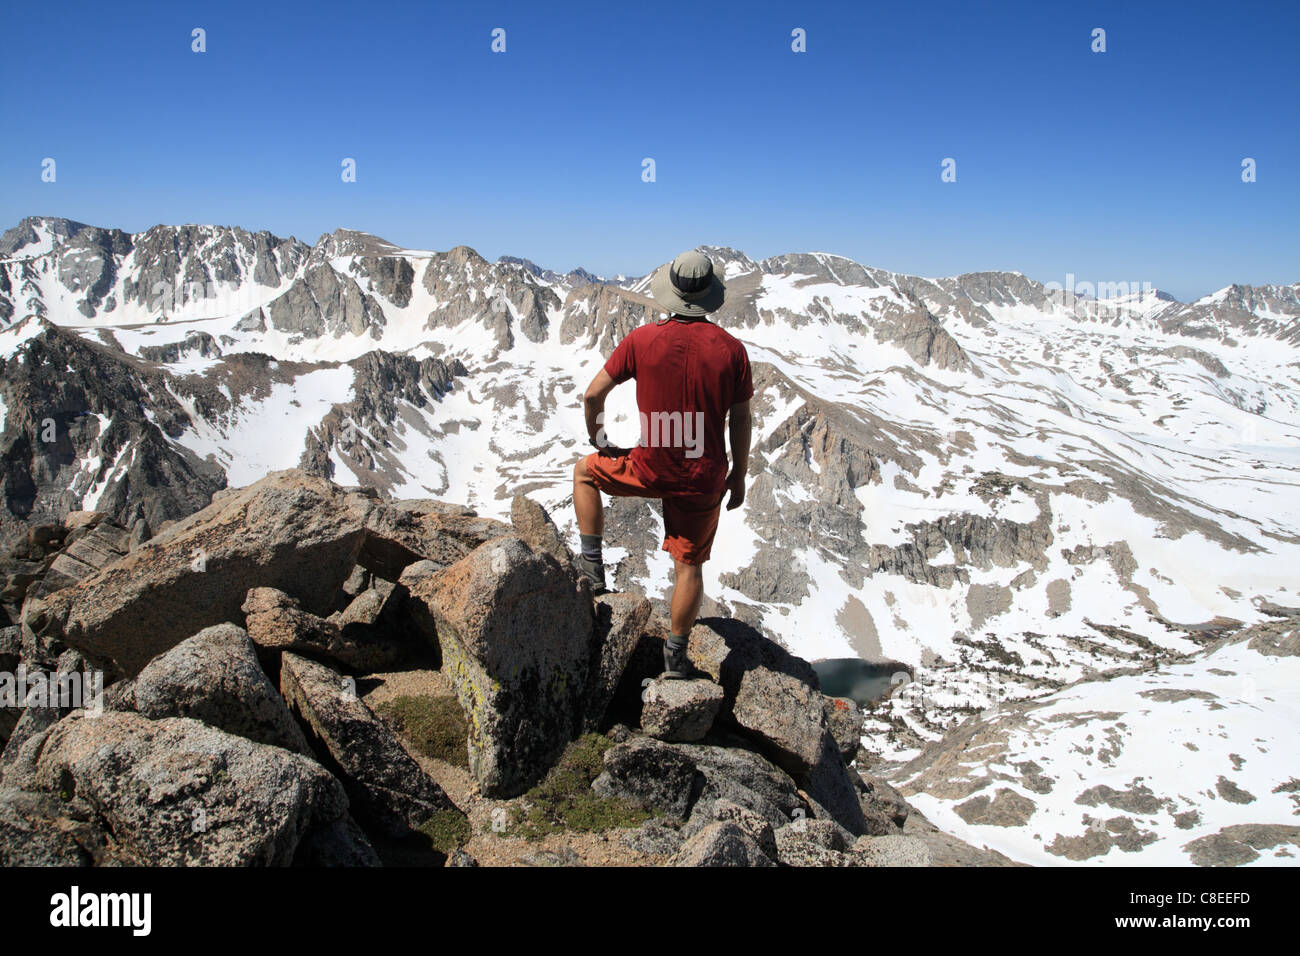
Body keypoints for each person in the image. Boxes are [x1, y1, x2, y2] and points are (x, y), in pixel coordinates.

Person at [572, 250, 753, 678]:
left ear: (670, 293)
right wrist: (738, 474)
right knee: (689, 567)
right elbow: (740, 418)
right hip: (702, 479)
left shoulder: (641, 340)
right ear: (710, 297)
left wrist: (599, 438)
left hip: (648, 466)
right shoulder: (732, 351)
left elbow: (592, 395)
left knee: (584, 472)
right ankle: (675, 657)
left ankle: (592, 569)